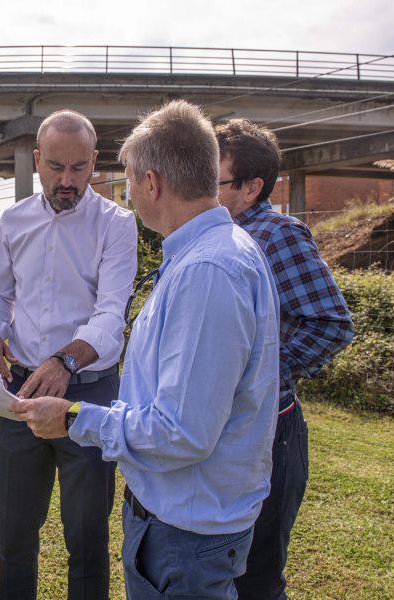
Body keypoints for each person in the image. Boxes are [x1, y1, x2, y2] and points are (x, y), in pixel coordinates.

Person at [14, 100, 280, 599]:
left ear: (152, 183)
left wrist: (72, 418)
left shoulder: (207, 272)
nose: (129, 194)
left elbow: (182, 433)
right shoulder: (214, 254)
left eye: (130, 182)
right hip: (187, 518)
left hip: (185, 529)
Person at [0, 109, 138, 600]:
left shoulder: (117, 224)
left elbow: (111, 313)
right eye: (57, 167)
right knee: (14, 532)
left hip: (88, 393)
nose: (68, 181)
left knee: (86, 536)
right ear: (38, 161)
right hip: (20, 393)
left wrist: (64, 361)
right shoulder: (14, 219)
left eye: (80, 168)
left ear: (95, 163)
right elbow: (0, 296)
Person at [214, 119, 355, 600]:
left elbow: (332, 324)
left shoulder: (278, 235)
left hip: (273, 430)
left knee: (257, 575)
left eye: (212, 180)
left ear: (251, 187)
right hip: (230, 427)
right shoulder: (217, 235)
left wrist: (258, 374)